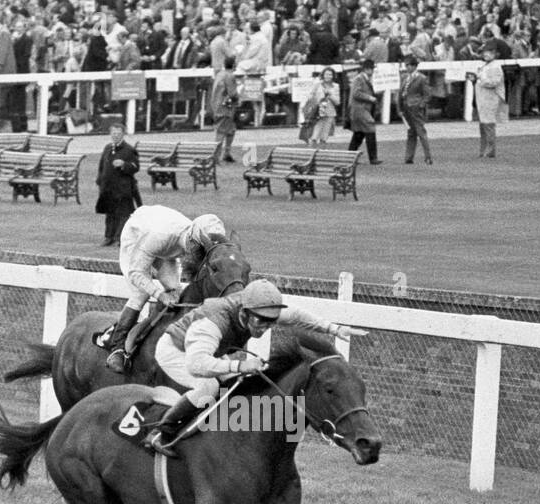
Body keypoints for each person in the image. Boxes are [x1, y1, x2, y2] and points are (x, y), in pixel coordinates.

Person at [147, 280, 363, 456]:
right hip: (176, 351)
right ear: (244, 312)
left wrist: (334, 329)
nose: (266, 326)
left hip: (208, 353)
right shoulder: (213, 322)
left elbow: (296, 317)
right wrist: (240, 365)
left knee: (240, 383)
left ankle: (222, 435)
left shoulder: (259, 310)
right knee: (208, 387)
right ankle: (161, 432)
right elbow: (196, 365)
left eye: (271, 321)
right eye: (261, 321)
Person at [103, 206, 228, 373]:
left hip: (165, 246)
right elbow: (136, 272)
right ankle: (117, 347)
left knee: (174, 289)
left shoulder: (196, 238)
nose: (201, 255)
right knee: (141, 293)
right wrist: (159, 294)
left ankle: (154, 334)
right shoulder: (161, 236)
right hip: (137, 235)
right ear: (192, 240)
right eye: (201, 250)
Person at [95, 123, 139, 247]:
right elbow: (101, 166)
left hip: (123, 187)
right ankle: (108, 237)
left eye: (118, 134)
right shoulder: (107, 148)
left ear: (123, 134)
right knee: (110, 213)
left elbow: (135, 167)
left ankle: (120, 238)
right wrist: (99, 181)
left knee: (123, 214)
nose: (115, 136)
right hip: (108, 187)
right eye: (113, 133)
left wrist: (124, 164)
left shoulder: (129, 150)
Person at [346, 57, 381, 165]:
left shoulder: (363, 79)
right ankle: (373, 158)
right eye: (371, 69)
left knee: (359, 133)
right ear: (367, 69)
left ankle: (350, 157)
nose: (372, 71)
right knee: (370, 128)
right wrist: (370, 98)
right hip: (360, 109)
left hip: (361, 109)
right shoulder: (359, 79)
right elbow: (356, 93)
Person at [398, 56, 432, 164]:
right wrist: (399, 107)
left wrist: (421, 105)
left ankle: (428, 156)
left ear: (414, 66)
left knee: (421, 132)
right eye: (406, 65)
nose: (407, 67)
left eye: (409, 65)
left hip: (416, 108)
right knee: (411, 133)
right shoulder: (405, 78)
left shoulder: (421, 78)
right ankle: (409, 157)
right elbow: (400, 93)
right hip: (406, 107)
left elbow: (427, 94)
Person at [473, 44, 506, 158]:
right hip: (482, 99)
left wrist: (481, 78)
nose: (486, 54)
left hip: (491, 99)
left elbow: (493, 82)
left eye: (489, 52)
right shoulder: (485, 65)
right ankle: (483, 150)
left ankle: (490, 151)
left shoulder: (495, 66)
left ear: (494, 54)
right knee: (483, 124)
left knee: (489, 124)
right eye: (484, 52)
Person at [210, 56, 239, 163]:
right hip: (225, 108)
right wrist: (239, 96)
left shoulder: (220, 74)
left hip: (217, 105)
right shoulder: (229, 76)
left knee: (231, 130)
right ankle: (215, 156)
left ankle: (227, 153)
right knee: (221, 132)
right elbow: (232, 93)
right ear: (234, 65)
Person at [305, 67, 341, 145]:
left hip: (330, 111)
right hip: (318, 111)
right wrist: (314, 101)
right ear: (323, 75)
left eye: (330, 74)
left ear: (333, 76)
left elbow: (337, 102)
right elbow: (310, 95)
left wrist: (329, 94)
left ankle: (323, 143)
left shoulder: (336, 86)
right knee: (317, 128)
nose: (328, 76)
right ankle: (313, 142)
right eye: (326, 74)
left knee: (326, 131)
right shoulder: (317, 84)